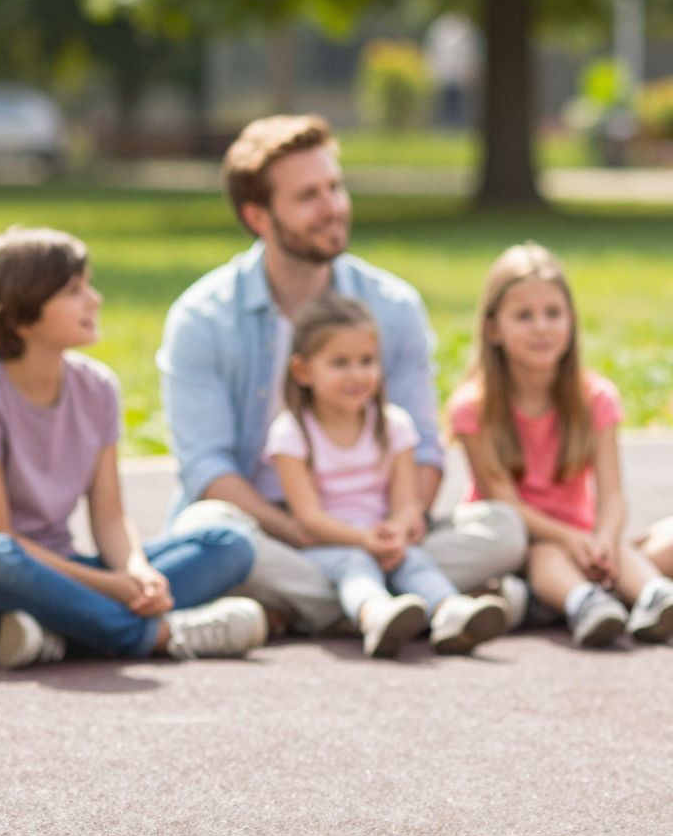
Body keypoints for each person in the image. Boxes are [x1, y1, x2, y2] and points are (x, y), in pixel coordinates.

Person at [161, 115, 526, 635]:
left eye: (335, 187)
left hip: (376, 525)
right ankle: (395, 600)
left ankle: (326, 606)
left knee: (504, 529)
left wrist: (400, 525)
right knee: (207, 531)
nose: (332, 207)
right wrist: (300, 530)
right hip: (271, 528)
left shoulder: (393, 306)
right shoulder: (201, 319)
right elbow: (207, 470)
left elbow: (422, 447)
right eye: (308, 195)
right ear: (258, 215)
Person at [0, 228, 266, 667]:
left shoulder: (99, 388)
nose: (94, 300)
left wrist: (135, 571)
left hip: (67, 570)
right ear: (21, 318)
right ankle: (161, 634)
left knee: (231, 543)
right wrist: (111, 587)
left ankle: (55, 633)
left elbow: (109, 517)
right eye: (73, 291)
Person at [449, 243, 673, 649]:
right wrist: (573, 539)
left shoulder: (596, 398)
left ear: (571, 320)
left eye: (553, 313)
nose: (541, 327)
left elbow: (611, 493)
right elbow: (505, 503)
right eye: (524, 316)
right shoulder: (473, 408)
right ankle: (586, 599)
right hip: (524, 547)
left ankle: (646, 597)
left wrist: (605, 539)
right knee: (547, 555)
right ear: (492, 329)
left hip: (586, 544)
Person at [267, 295, 509, 657]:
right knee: (355, 564)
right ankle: (376, 614)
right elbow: (308, 517)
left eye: (367, 361)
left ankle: (450, 612)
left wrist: (396, 530)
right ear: (302, 371)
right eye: (340, 363)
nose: (357, 375)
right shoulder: (291, 433)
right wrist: (364, 539)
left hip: (384, 541)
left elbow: (406, 501)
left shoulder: (394, 425)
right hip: (328, 546)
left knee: (414, 559)